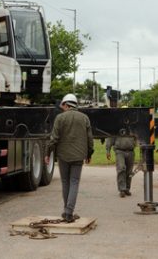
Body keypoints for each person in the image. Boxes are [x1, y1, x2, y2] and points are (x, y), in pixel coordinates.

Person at [46, 93, 93, 222]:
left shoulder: (60, 118)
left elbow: (53, 139)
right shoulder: (84, 118)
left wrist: (47, 153)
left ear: (66, 104)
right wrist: (89, 153)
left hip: (63, 156)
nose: (62, 107)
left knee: (65, 182)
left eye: (63, 105)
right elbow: (89, 138)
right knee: (74, 182)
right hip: (78, 156)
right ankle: (69, 212)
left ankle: (67, 211)